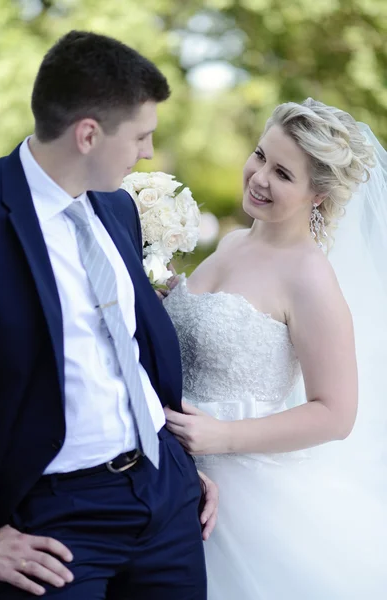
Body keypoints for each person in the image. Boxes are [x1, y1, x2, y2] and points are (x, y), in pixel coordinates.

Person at [0, 30, 218, 599]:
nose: (146, 152)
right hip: (52, 525)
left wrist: (173, 463)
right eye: (141, 136)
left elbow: (130, 349)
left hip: (167, 501)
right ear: (88, 134)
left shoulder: (117, 206)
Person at [164, 98, 387, 599]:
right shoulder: (230, 243)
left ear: (318, 196)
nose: (259, 177)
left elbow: (336, 413)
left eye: (283, 173)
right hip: (177, 470)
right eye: (260, 155)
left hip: (243, 493)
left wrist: (221, 437)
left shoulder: (310, 277)